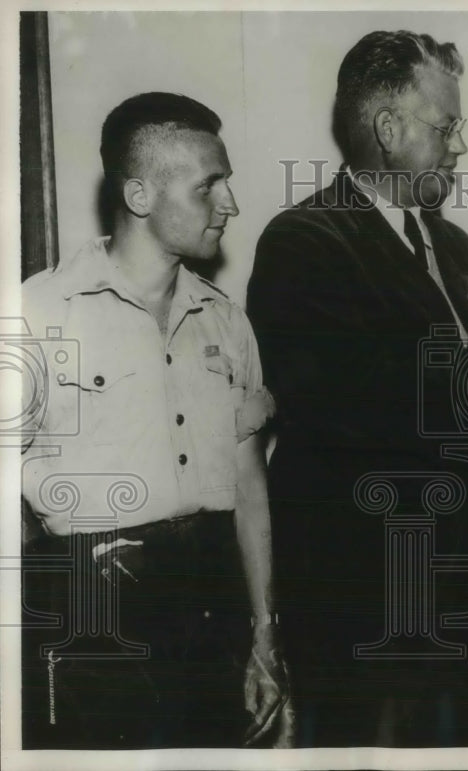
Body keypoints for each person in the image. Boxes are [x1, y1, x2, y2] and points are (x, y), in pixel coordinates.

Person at [246, 30, 468, 746]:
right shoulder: (304, 241)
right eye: (446, 125)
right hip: (366, 599)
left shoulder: (454, 247)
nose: (459, 146)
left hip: (465, 591)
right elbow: (346, 405)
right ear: (388, 130)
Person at [19, 92, 290, 749]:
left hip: (212, 604)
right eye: (210, 186)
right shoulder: (39, 311)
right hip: (92, 610)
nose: (230, 203)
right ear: (140, 195)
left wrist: (263, 631)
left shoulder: (227, 319)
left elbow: (252, 492)